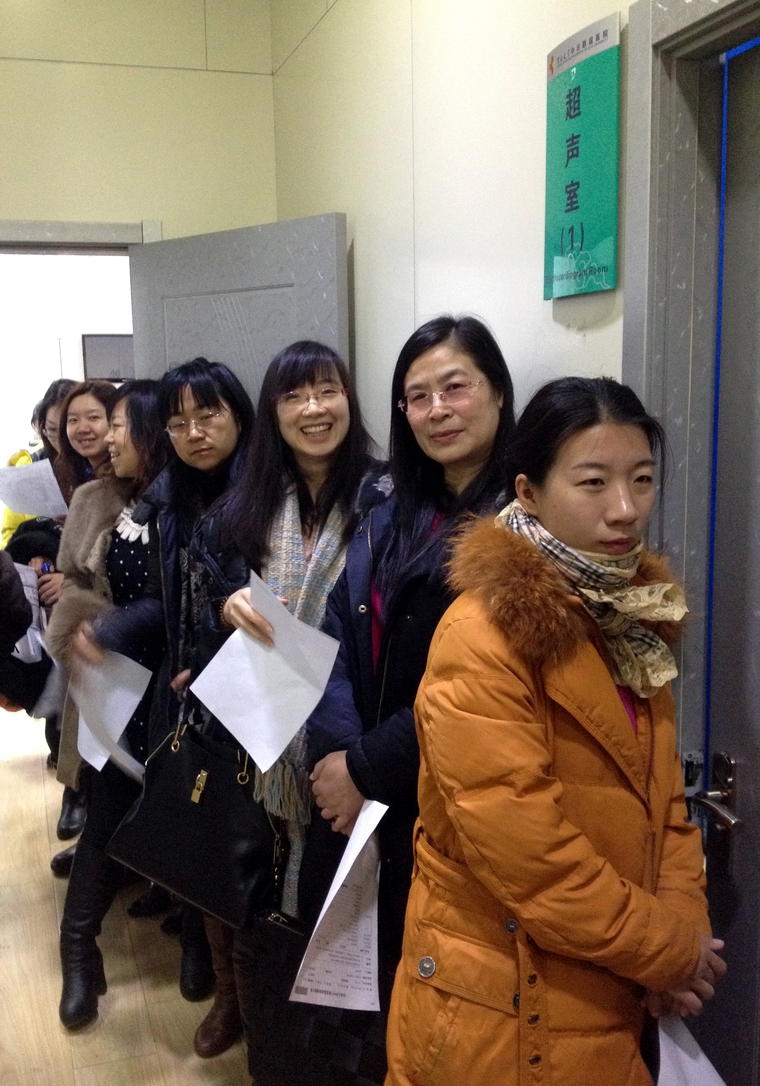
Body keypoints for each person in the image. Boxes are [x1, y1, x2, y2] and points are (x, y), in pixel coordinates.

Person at [385, 376, 725, 1086]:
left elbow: (665, 807)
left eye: (641, 479)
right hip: (503, 1002)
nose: (625, 508)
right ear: (529, 493)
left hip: (612, 977)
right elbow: (535, 864)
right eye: (593, 482)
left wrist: (682, 933)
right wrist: (670, 953)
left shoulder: (632, 614)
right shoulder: (481, 637)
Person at [232, 315, 513, 1086]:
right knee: (360, 988)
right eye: (418, 395)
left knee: (429, 995)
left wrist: (361, 766)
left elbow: (480, 694)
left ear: (497, 391)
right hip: (352, 787)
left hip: (443, 798)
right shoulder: (393, 509)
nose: (437, 409)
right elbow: (335, 638)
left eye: (455, 387)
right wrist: (340, 759)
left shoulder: (519, 523)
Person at [190, 340, 382, 1064]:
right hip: (256, 747)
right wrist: (225, 607)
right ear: (273, 413)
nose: (313, 409)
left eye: (327, 391)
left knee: (341, 927)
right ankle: (268, 1049)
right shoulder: (242, 509)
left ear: (349, 400)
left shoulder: (383, 501)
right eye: (294, 396)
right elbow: (206, 611)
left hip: (344, 752)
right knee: (255, 921)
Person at [126, 357, 256, 1009]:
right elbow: (172, 596)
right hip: (191, 694)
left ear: (238, 415)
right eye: (178, 424)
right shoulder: (170, 498)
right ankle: (222, 985)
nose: (194, 433)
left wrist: (208, 662)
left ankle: (251, 995)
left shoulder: (269, 492)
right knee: (200, 832)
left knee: (253, 848)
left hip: (258, 695)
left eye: (208, 415)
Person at [45, 380, 169, 1029]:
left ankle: (200, 951)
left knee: (182, 813)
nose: (106, 437)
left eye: (118, 424)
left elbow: (177, 599)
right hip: (115, 685)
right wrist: (88, 623)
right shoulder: (110, 501)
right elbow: (83, 582)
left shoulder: (182, 502)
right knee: (104, 815)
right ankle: (78, 951)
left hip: (174, 687)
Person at [55, 379, 119, 504]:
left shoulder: (124, 481)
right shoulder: (72, 472)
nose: (82, 429)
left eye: (93, 417)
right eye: (73, 420)